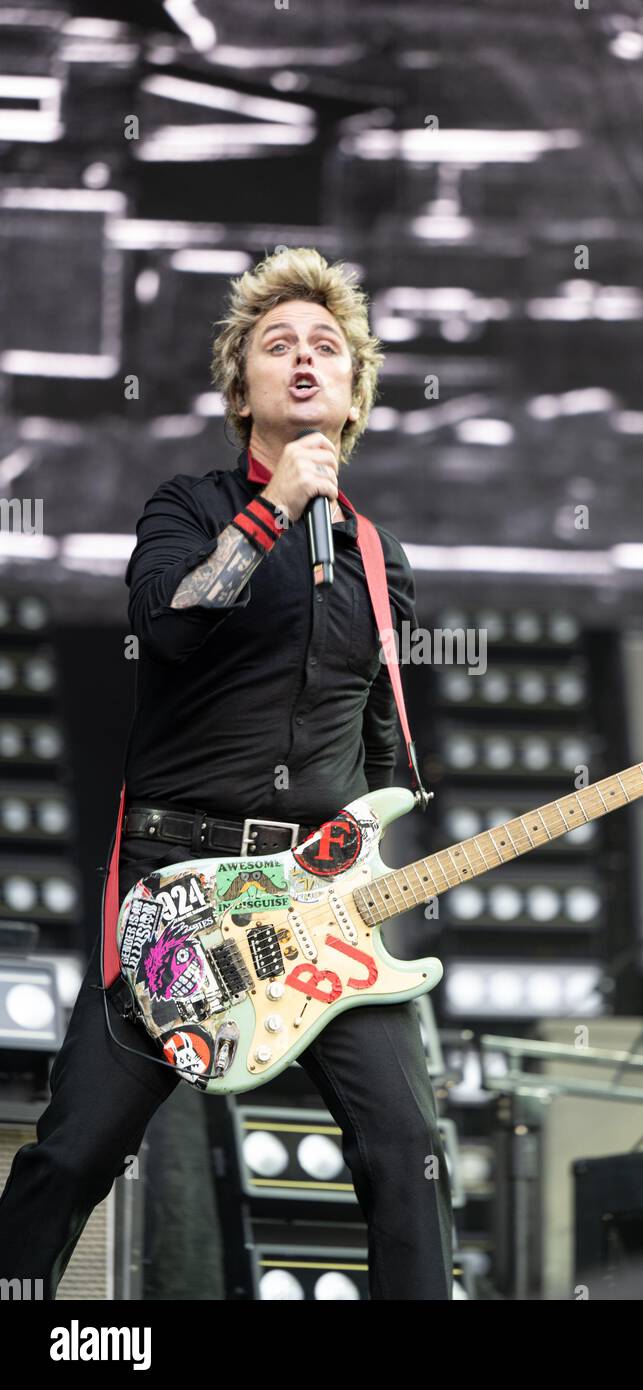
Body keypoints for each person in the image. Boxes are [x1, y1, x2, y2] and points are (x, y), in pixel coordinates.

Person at [0, 247, 454, 1301]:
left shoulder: (381, 560)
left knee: (407, 1152)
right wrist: (270, 511)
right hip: (182, 897)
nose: (303, 360)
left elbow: (379, 746)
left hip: (319, 909)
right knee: (71, 1156)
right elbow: (165, 624)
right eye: (276, 344)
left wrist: (361, 884)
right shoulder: (189, 507)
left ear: (353, 394)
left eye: (326, 347)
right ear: (240, 387)